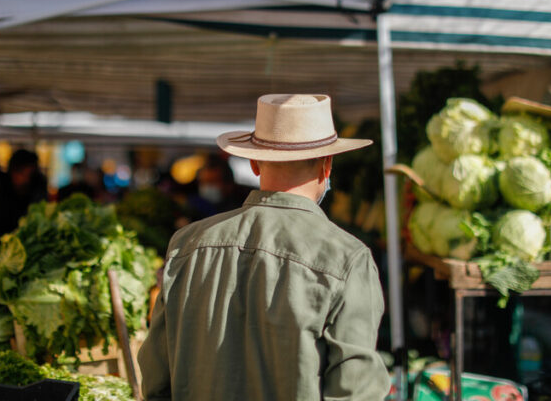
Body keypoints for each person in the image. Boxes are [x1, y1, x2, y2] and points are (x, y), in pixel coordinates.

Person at [138, 94, 390, 401]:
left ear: (255, 163)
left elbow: (155, 377)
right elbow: (355, 392)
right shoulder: (347, 258)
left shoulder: (187, 244)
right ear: (327, 166)